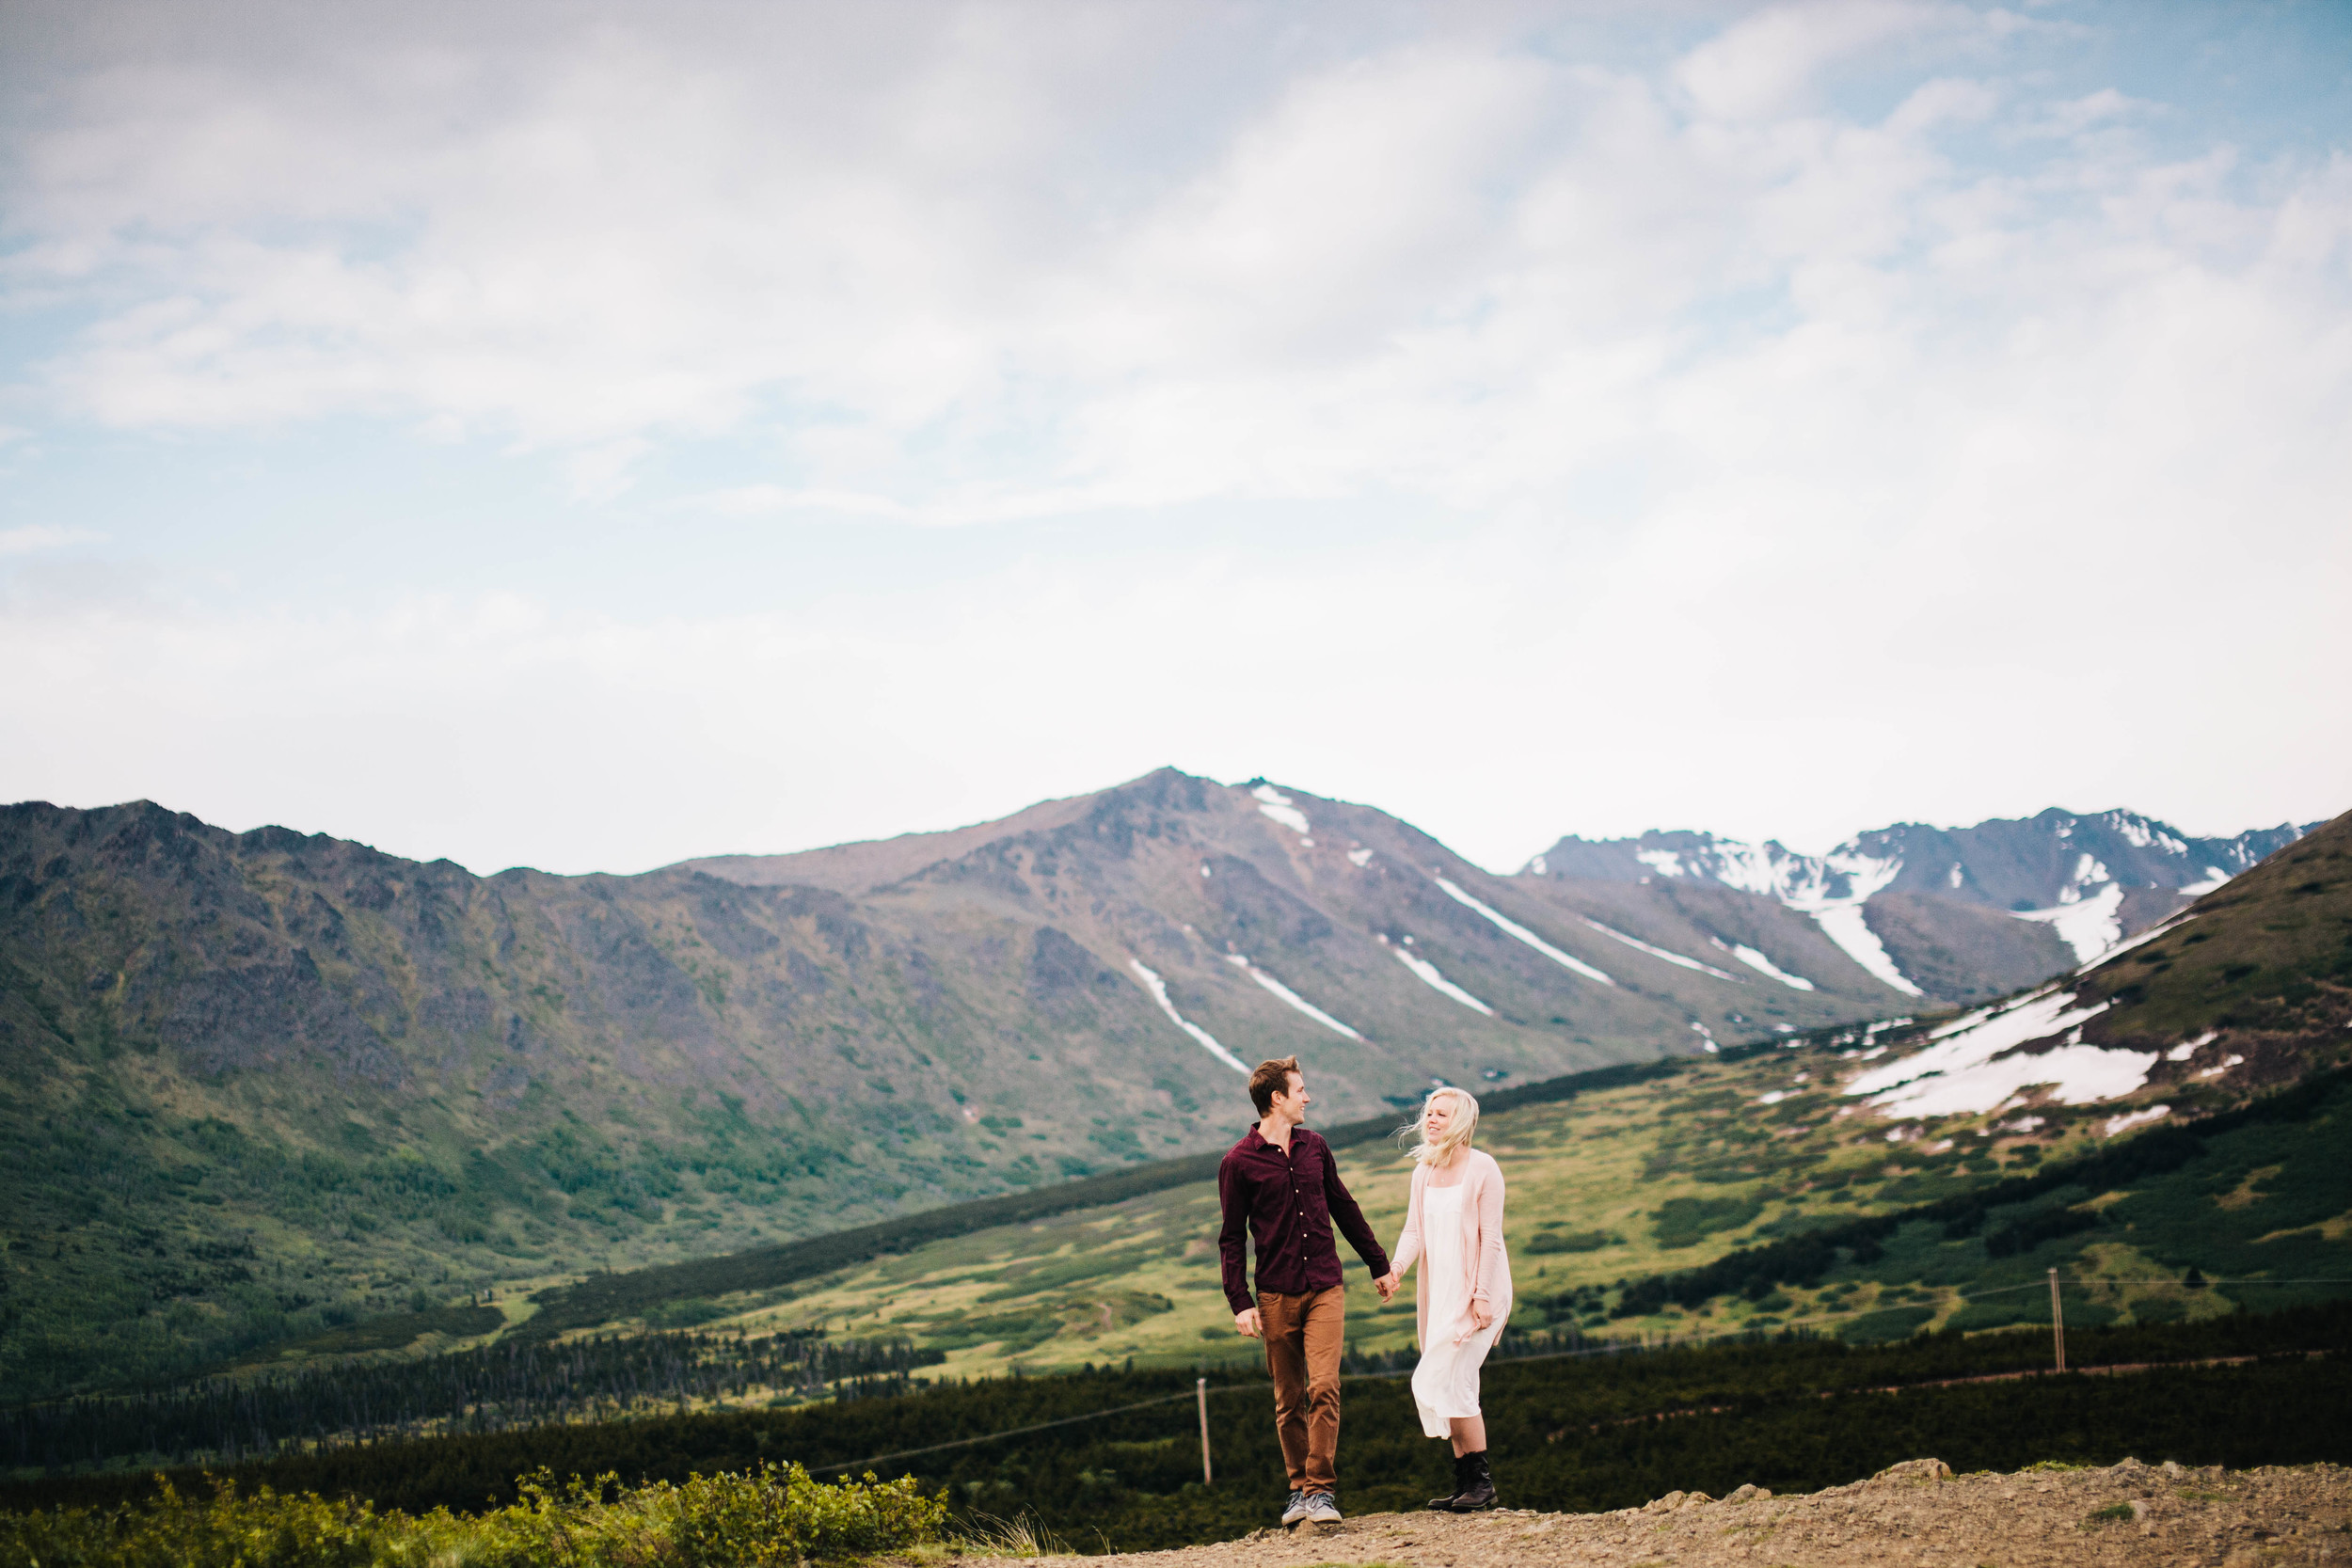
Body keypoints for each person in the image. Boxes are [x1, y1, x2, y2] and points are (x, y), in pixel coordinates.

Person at [1218, 1055, 1395, 1528]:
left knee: (1324, 1386)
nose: (1308, 1098)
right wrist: (1240, 1302)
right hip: (1275, 1294)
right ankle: (1297, 1489)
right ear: (1277, 1098)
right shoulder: (1238, 1162)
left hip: (1325, 1286)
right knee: (1288, 1396)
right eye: (1301, 1090)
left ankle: (1320, 1491)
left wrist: (1378, 1264)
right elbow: (1232, 1238)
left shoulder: (1315, 1147)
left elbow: (1343, 1205)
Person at [1373, 1086, 1512, 1512]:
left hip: (1479, 1293)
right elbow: (1414, 1230)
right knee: (1444, 1383)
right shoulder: (1424, 1172)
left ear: (1462, 1123)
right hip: (1442, 1296)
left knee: (1455, 1381)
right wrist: (1395, 1269)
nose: (1431, 1119)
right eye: (1429, 1112)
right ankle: (1467, 1483)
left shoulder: (1484, 1168)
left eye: (1442, 1115)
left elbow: (1491, 1239)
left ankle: (1481, 1484)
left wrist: (1482, 1297)